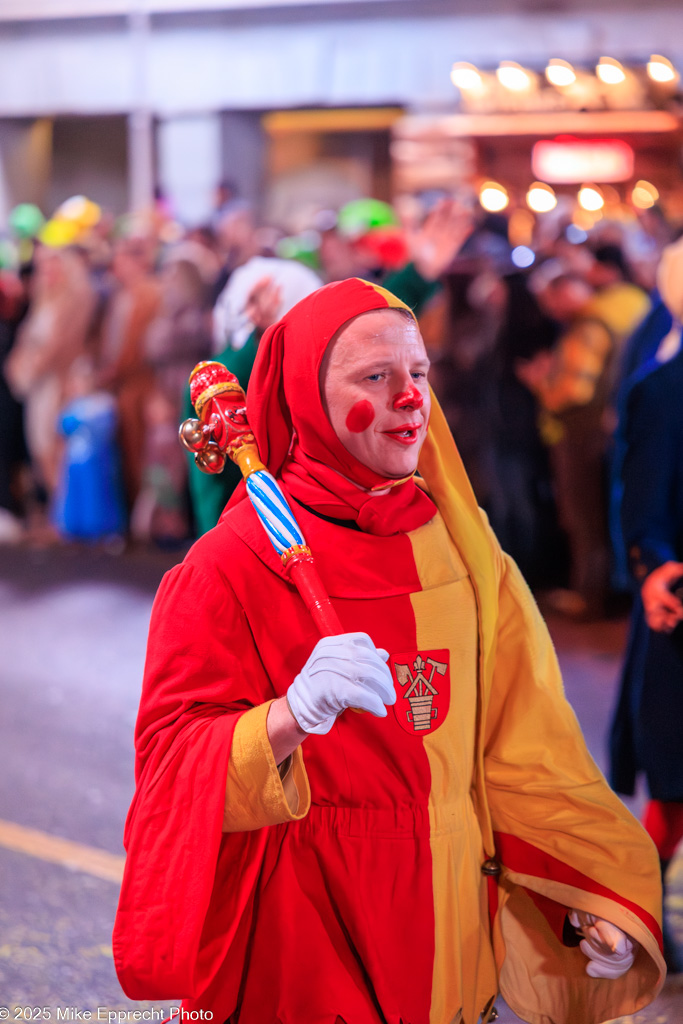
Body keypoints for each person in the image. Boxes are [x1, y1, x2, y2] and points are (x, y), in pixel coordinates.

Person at [114, 279, 665, 1024]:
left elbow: (521, 753)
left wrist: (577, 892)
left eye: (419, 374)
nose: (410, 399)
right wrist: (285, 719)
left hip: (447, 928)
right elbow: (169, 768)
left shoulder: (468, 553)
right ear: (308, 397)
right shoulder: (229, 564)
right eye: (375, 377)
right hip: (302, 932)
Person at [609, 339, 683, 972]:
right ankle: (643, 910)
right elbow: (642, 506)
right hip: (680, 611)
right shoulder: (660, 388)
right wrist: (656, 567)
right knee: (673, 785)